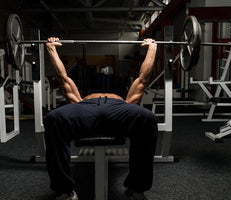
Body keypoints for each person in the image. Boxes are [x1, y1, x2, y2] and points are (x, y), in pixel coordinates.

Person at [44, 37, 158, 200]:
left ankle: (136, 188)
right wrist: (51, 48)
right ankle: (64, 190)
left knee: (148, 118)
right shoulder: (79, 100)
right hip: (86, 107)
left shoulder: (127, 102)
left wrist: (152, 48)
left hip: (117, 109)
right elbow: (63, 79)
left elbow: (142, 80)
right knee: (54, 118)